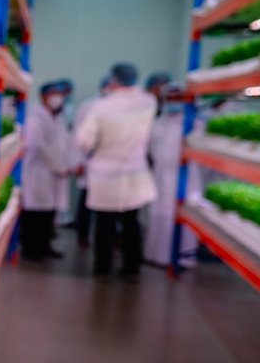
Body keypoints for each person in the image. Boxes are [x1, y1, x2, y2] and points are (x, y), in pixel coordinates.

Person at [76, 63, 158, 281]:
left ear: (112, 81)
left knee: (105, 225)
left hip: (106, 173)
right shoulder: (148, 102)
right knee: (131, 223)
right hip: (135, 173)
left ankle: (103, 269)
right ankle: (132, 268)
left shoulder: (101, 107)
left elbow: (84, 141)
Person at [144, 84, 201, 267]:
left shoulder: (194, 124)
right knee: (158, 215)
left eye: (178, 99)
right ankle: (156, 256)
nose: (173, 103)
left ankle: (182, 259)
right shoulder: (157, 124)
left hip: (185, 177)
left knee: (180, 216)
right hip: (160, 176)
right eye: (170, 99)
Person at [21, 80, 74, 261]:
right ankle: (31, 250)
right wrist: (59, 167)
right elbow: (38, 145)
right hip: (38, 172)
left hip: (54, 173)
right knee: (35, 214)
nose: (58, 98)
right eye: (54, 94)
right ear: (43, 96)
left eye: (60, 95)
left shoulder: (58, 117)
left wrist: (67, 165)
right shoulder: (34, 116)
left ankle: (45, 247)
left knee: (48, 214)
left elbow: (65, 142)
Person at [71, 76, 111, 246]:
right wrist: (79, 161)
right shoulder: (88, 106)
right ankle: (83, 235)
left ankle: (109, 238)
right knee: (86, 200)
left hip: (111, 163)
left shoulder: (118, 108)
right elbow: (78, 135)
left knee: (109, 206)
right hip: (89, 160)